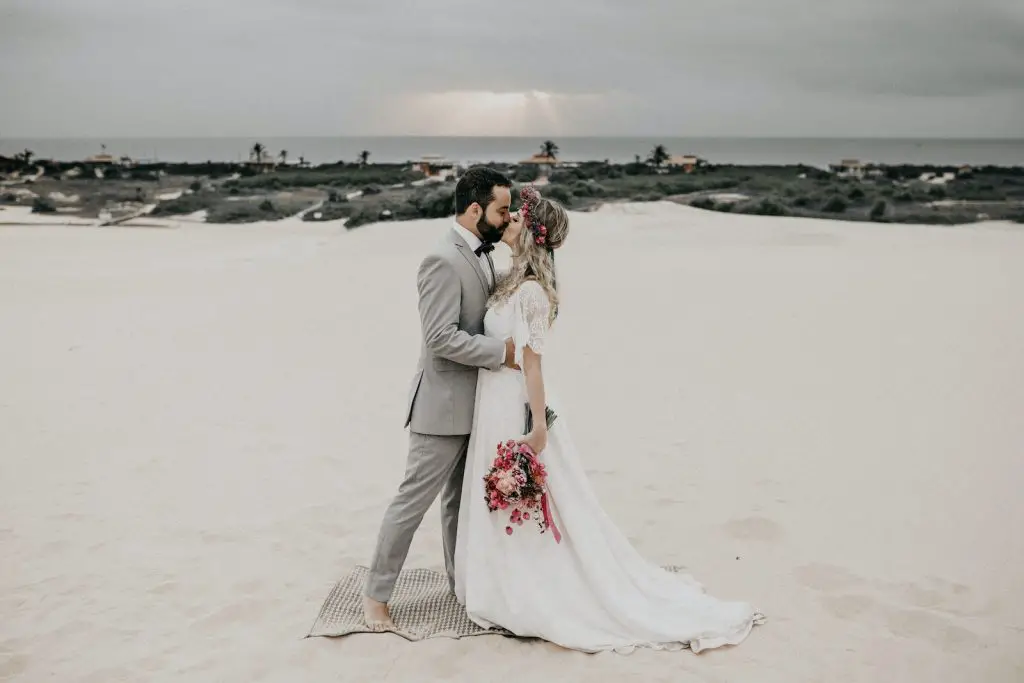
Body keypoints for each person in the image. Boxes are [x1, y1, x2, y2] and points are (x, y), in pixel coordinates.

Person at [452, 185, 765, 654]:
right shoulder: (509, 278)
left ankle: (530, 585)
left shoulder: (533, 292)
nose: (509, 220)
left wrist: (537, 427)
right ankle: (501, 578)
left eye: (517, 217)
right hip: (492, 400)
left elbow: (534, 365)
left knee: (533, 499)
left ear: (533, 234)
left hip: (516, 403)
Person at [363, 167, 520, 630]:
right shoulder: (442, 260)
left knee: (458, 505)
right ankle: (376, 597)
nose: (506, 216)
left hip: (479, 405)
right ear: (476, 210)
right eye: (501, 209)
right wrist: (503, 353)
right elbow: (439, 338)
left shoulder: (484, 253)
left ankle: (460, 585)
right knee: (412, 503)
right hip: (441, 406)